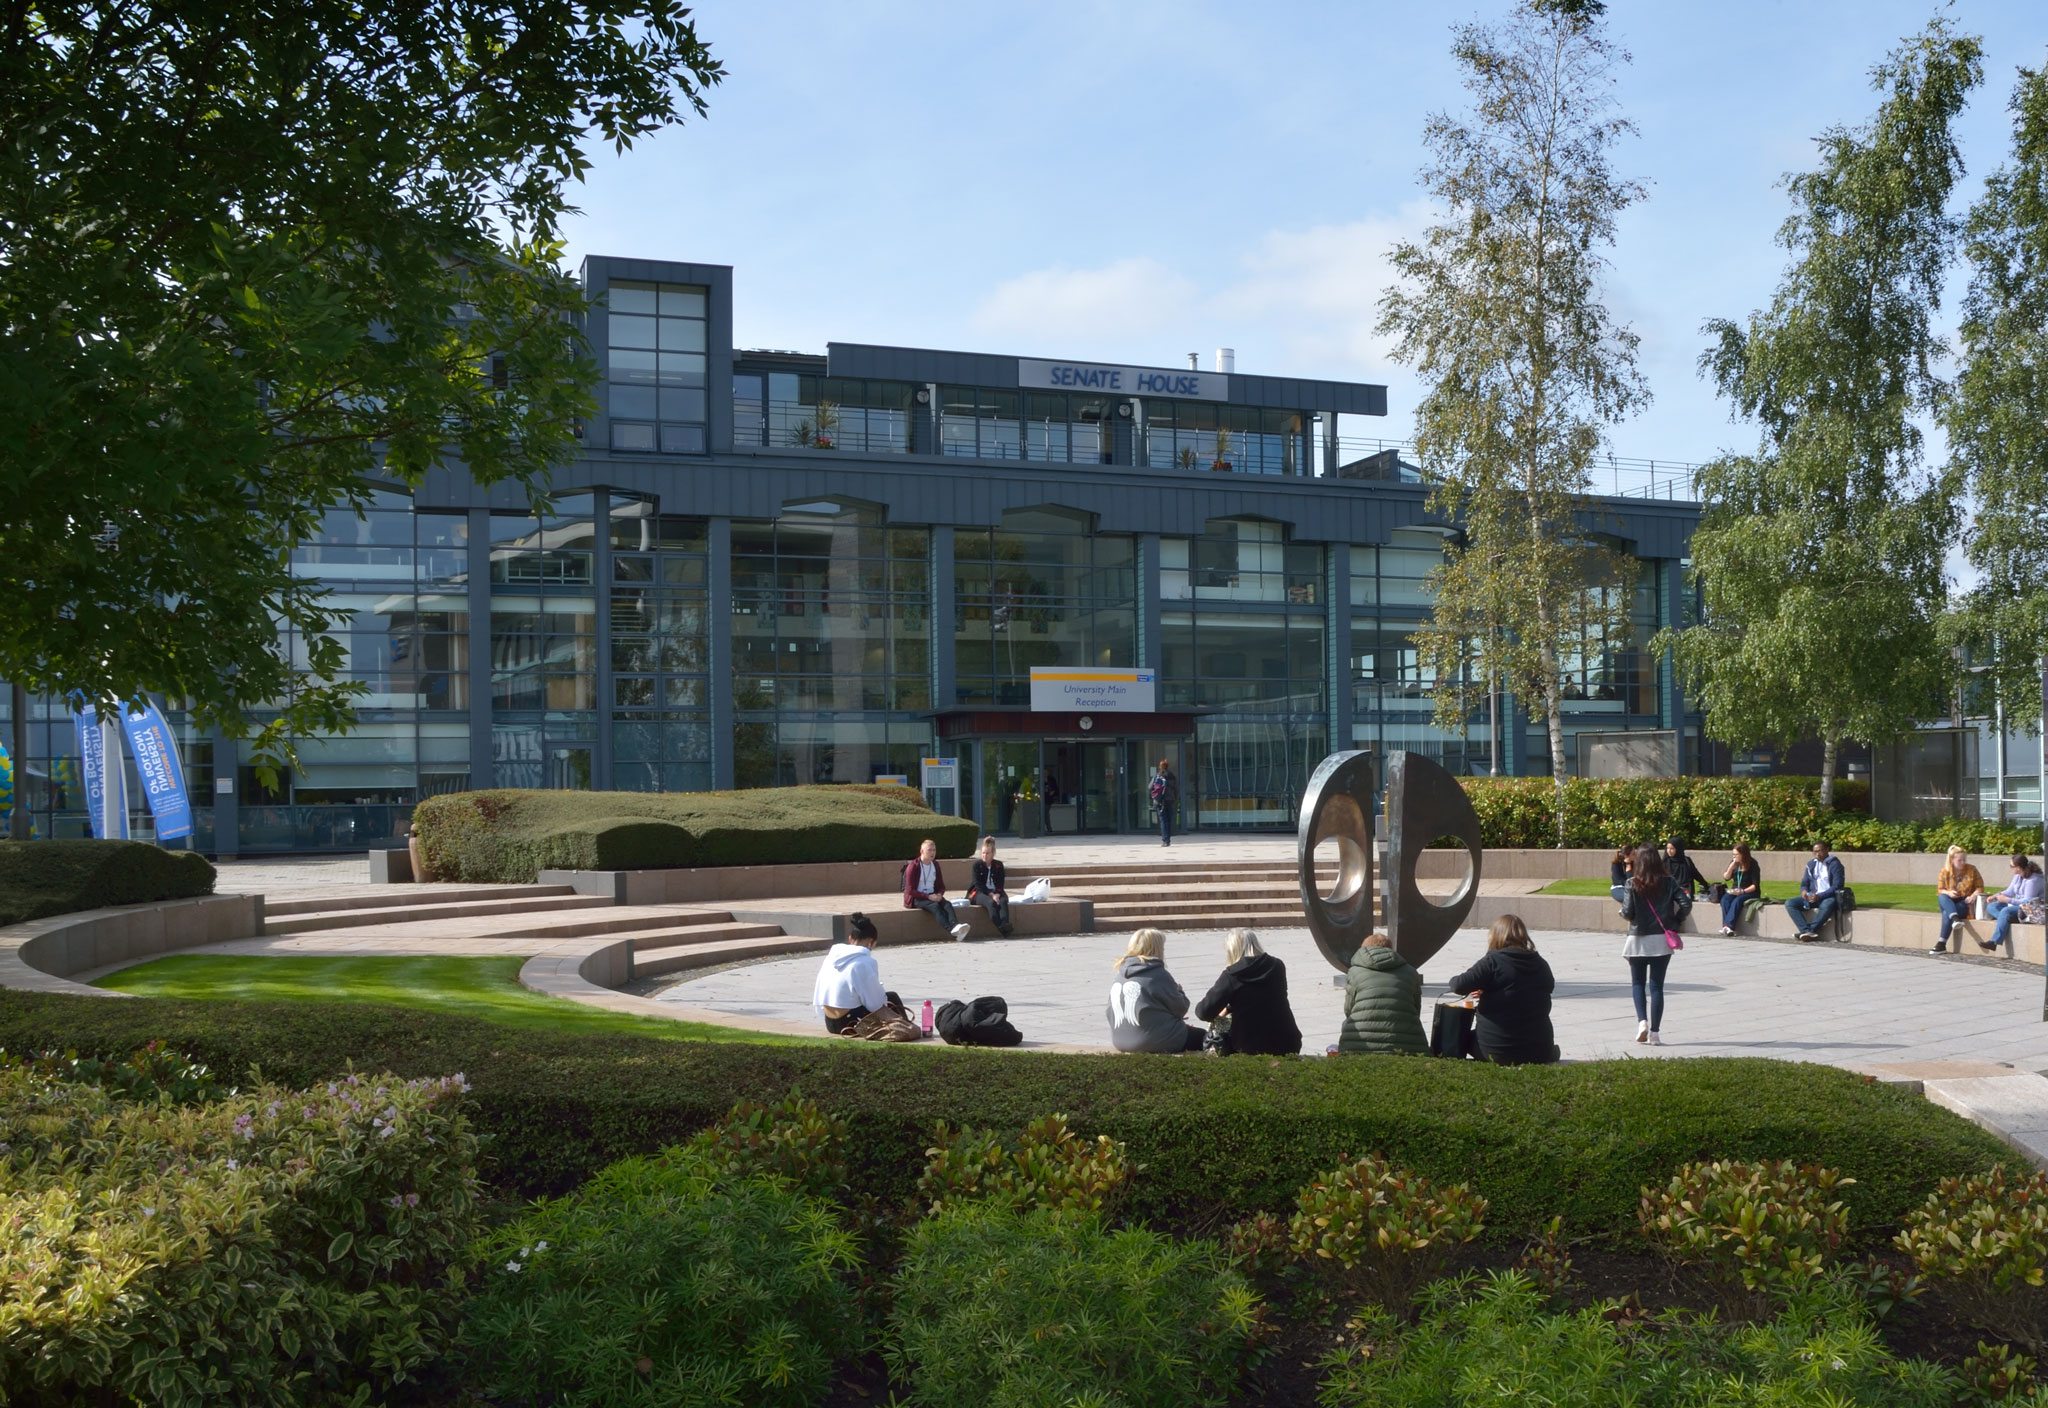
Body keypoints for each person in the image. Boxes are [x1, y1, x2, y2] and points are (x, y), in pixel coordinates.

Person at [1445, 914, 1558, 1065]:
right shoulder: (1541, 964)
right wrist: (1490, 989)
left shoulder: (1492, 962)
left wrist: (1485, 985)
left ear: (1495, 936)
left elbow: (1457, 985)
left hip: (1498, 1050)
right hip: (1540, 1051)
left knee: (1460, 1038)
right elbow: (1527, 992)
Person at [1193, 928, 1302, 1055]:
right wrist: (1229, 1008)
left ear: (1232, 950)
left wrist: (1227, 1007)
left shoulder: (1232, 975)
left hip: (1249, 1047)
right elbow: (1262, 998)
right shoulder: (1277, 966)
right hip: (1288, 1042)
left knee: (1216, 1040)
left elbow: (1203, 1012)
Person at [1619, 843, 1682, 1046]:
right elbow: (1686, 903)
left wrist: (1623, 914)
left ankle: (1642, 1022)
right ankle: (1655, 1033)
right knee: (1657, 987)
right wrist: (1674, 921)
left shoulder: (1632, 883)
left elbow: (1628, 913)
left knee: (1638, 983)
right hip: (1661, 940)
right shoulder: (1669, 881)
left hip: (1637, 939)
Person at [1106, 928, 1204, 1053]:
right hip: (1153, 1041)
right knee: (1203, 1036)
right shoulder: (1157, 974)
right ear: (1156, 949)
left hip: (1120, 1041)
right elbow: (1181, 1008)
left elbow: (1109, 1012)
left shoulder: (1119, 975)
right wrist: (1179, 992)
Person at [1336, 932, 1428, 1056]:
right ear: (1390, 950)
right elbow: (1416, 1008)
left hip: (1359, 1045)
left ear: (1364, 949)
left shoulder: (1354, 972)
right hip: (1408, 1045)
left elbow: (1348, 1010)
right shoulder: (1411, 972)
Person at [812, 913, 890, 1034]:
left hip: (830, 1022)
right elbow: (875, 1004)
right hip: (850, 1023)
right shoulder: (865, 962)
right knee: (891, 998)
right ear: (871, 942)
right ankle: (904, 1029)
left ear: (850, 938)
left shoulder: (832, 956)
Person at [902, 837, 972, 941]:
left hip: (933, 895)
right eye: (929, 850)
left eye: (934, 850)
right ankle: (952, 930)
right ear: (922, 851)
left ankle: (956, 926)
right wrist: (928, 896)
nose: (932, 853)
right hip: (917, 897)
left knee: (947, 904)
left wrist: (939, 894)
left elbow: (941, 886)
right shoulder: (913, 866)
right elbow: (910, 890)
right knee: (935, 907)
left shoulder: (935, 864)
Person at [1979, 853, 2045, 953]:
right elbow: (2010, 891)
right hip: (2017, 906)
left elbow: (2027, 902)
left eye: (2012, 866)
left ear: (2018, 867)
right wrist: (1995, 896)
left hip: (2030, 909)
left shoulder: (2033, 880)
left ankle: (1994, 942)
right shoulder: (2018, 876)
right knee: (1991, 907)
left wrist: (2007, 900)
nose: (2010, 868)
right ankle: (2005, 919)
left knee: (2005, 911)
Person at [1785, 840, 1847, 942]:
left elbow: (1837, 886)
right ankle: (1807, 931)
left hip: (1828, 896)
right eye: (1815, 851)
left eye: (1820, 851)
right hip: (1812, 897)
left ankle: (1807, 931)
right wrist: (1804, 891)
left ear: (1827, 850)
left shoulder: (1835, 864)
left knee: (1828, 904)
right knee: (1790, 903)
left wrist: (1820, 896)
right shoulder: (1811, 864)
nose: (1817, 853)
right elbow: (1804, 883)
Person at [1930, 845, 1986, 955]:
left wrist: (1973, 896)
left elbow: (1980, 887)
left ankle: (1941, 944)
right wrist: (1949, 892)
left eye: (1964, 859)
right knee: (1942, 896)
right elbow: (1940, 890)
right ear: (1951, 860)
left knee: (1947, 912)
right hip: (1949, 901)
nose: (1963, 862)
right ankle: (1955, 918)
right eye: (1959, 860)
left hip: (1965, 902)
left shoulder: (1972, 869)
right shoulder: (1944, 871)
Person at [967, 835, 1014, 938]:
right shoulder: (977, 865)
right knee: (991, 903)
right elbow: (978, 884)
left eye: (987, 853)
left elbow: (1001, 883)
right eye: (983, 853)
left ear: (993, 854)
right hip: (979, 892)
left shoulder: (998, 865)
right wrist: (991, 894)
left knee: (1003, 901)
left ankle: (1005, 923)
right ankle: (1003, 928)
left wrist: (997, 893)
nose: (985, 855)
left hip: (996, 891)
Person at [1716, 843, 1763, 935]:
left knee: (1737, 901)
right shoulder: (1734, 863)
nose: (1734, 857)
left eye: (1736, 855)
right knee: (1725, 899)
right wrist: (1730, 868)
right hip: (1735, 890)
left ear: (1743, 854)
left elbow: (1755, 885)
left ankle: (1728, 926)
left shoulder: (1753, 864)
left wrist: (1743, 891)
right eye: (1733, 855)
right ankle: (1726, 927)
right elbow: (1726, 877)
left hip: (1749, 891)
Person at [1663, 838, 1703, 918]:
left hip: (1684, 889)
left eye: (1672, 849)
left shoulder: (1686, 861)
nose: (1669, 851)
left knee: (1686, 905)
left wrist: (1705, 884)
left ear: (1678, 849)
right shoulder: (1665, 862)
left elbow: (1695, 874)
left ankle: (1677, 920)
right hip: (1670, 890)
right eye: (1667, 848)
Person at [1150, 759, 1179, 847]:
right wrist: (1175, 798)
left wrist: (1154, 796)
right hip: (1170, 800)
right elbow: (1176, 789)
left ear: (1160, 766)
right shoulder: (1172, 776)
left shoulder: (1158, 776)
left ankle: (1165, 840)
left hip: (1160, 801)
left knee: (1163, 820)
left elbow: (1150, 787)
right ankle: (1168, 839)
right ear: (1167, 766)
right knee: (1169, 820)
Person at [1608, 846, 1632, 910]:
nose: (1636, 855)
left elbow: (1632, 880)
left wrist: (1629, 865)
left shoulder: (1635, 864)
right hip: (1618, 888)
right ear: (1627, 855)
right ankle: (1625, 911)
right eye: (1634, 854)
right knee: (1629, 897)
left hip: (1631, 888)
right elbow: (1617, 880)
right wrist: (1628, 865)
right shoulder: (1616, 864)